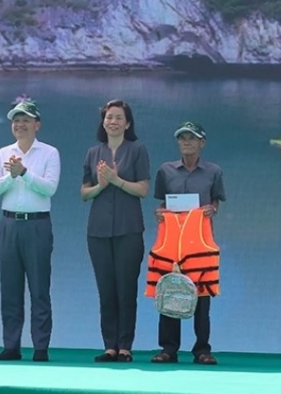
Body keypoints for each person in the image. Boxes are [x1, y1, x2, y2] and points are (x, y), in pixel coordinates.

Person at [0, 100, 60, 362]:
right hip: (8, 224)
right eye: (16, 120)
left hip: (37, 224)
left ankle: (40, 347)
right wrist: (12, 175)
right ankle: (11, 345)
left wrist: (24, 172)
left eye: (25, 120)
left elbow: (49, 188)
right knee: (10, 287)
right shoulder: (3, 153)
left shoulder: (49, 153)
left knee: (40, 287)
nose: (20, 124)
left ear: (36, 125)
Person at [149, 121, 225, 365]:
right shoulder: (165, 170)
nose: (186, 143)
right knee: (169, 288)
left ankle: (202, 349)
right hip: (171, 239)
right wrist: (159, 212)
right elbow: (161, 203)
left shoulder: (213, 171)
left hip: (199, 241)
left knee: (202, 295)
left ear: (201, 142)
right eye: (182, 139)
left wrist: (212, 210)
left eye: (191, 138)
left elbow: (216, 202)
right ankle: (168, 349)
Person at [81, 99, 151, 363]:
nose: (113, 122)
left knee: (126, 288)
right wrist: (101, 185)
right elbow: (84, 194)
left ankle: (125, 346)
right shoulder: (92, 153)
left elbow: (143, 189)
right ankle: (109, 345)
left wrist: (117, 181)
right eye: (109, 117)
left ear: (128, 123)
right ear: (103, 122)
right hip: (98, 231)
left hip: (128, 229)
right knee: (106, 289)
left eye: (119, 118)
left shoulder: (137, 150)